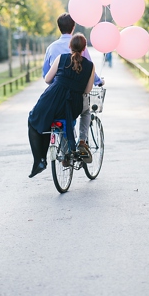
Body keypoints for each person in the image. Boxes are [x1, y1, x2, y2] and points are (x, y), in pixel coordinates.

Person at [28, 33, 95, 177]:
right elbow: (88, 90)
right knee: (83, 112)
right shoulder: (90, 66)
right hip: (74, 104)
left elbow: (47, 79)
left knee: (34, 119)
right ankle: (81, 140)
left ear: (69, 46)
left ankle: (39, 160)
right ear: (84, 48)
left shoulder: (61, 58)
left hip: (52, 99)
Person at [43, 13, 104, 163]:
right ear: (73, 27)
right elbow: (89, 70)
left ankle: (64, 150)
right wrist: (99, 81)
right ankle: (82, 141)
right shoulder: (80, 45)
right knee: (85, 111)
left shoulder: (51, 48)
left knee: (60, 116)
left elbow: (46, 75)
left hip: (56, 97)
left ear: (58, 27)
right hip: (76, 97)